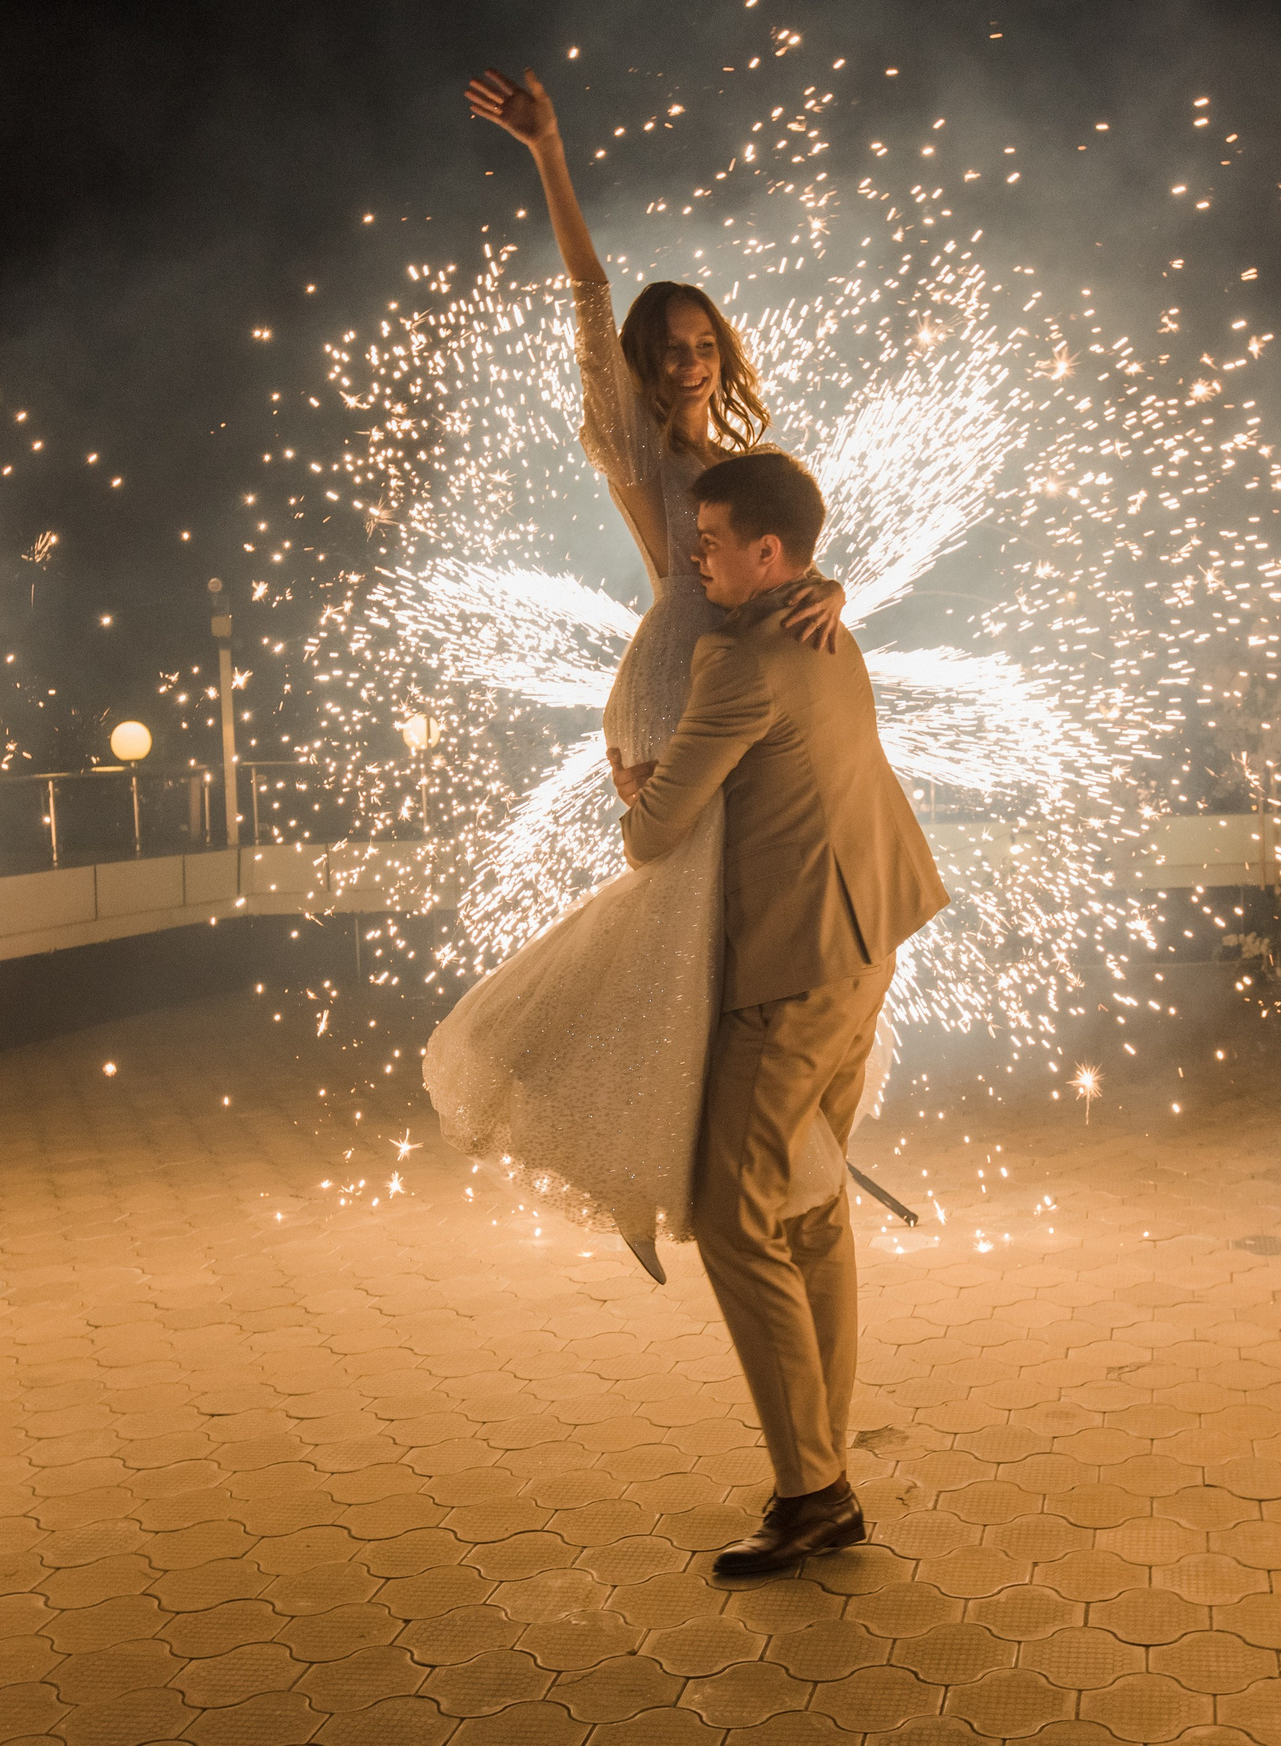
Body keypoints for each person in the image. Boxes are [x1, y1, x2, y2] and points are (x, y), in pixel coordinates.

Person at [423, 68, 849, 1282]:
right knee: (681, 905)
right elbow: (587, 293)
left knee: (706, 917)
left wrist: (827, 587)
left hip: (730, 667)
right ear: (642, 367)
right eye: (668, 353)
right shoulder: (637, 445)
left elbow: (776, 556)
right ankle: (617, 1138)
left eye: (703, 347)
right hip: (677, 674)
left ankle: (669, 1146)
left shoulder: (736, 461)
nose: (689, 365)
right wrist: (549, 155)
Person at [614, 451, 947, 1577]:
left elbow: (654, 835)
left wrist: (636, 788)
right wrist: (826, 583)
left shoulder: (741, 656)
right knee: (811, 1205)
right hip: (868, 941)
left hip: (794, 969)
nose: (693, 556)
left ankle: (814, 1492)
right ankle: (821, 1467)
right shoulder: (826, 630)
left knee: (732, 1216)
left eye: (710, 541)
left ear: (768, 554)